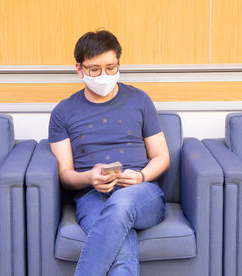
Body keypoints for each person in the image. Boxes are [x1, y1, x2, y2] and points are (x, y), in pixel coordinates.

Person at [48, 29, 170, 276]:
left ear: (118, 65)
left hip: (141, 193)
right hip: (91, 197)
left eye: (111, 68)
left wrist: (141, 176)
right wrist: (89, 178)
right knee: (122, 252)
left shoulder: (140, 100)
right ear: (79, 69)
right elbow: (65, 174)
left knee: (121, 202)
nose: (104, 75)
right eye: (94, 69)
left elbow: (162, 157)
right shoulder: (63, 112)